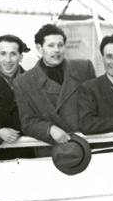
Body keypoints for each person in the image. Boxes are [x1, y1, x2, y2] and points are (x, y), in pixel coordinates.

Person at [13, 24, 97, 153]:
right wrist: (50, 129)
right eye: (51, 45)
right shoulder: (23, 82)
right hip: (53, 152)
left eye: (60, 45)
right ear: (39, 48)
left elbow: (97, 107)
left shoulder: (84, 68)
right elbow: (27, 122)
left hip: (87, 147)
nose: (56, 50)